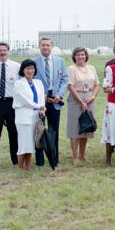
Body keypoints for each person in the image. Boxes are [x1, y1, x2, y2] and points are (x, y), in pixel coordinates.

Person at [34, 37, 69, 168]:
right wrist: (41, 96)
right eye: (43, 45)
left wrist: (59, 95)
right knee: (39, 130)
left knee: (54, 130)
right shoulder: (34, 62)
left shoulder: (59, 61)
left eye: (48, 45)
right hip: (40, 102)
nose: (45, 47)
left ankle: (54, 159)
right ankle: (40, 160)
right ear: (39, 46)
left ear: (52, 46)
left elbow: (64, 79)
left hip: (55, 101)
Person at [66, 46, 99, 166]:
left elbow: (96, 85)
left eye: (83, 54)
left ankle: (82, 155)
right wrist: (81, 102)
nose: (81, 57)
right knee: (75, 128)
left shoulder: (91, 68)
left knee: (86, 127)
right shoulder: (71, 69)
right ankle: (75, 157)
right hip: (76, 101)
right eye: (78, 55)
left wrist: (92, 97)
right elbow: (70, 86)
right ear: (74, 57)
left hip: (89, 100)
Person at [13, 59, 46, 172]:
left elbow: (41, 99)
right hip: (24, 116)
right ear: (23, 70)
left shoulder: (38, 83)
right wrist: (39, 106)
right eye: (27, 68)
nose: (30, 71)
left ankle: (28, 166)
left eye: (32, 68)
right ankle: (21, 167)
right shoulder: (18, 83)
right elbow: (24, 100)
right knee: (24, 142)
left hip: (35, 116)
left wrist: (42, 110)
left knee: (31, 142)